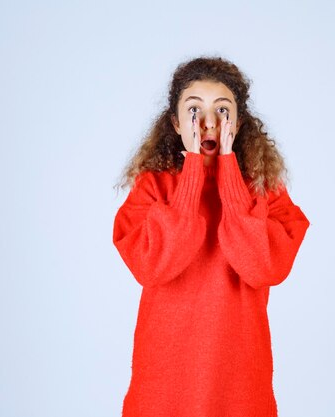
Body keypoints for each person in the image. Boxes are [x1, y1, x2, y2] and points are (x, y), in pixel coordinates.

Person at [112, 56, 310, 417]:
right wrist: (191, 173)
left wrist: (229, 171)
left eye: (222, 110)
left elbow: (262, 267)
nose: (207, 123)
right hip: (165, 381)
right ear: (175, 123)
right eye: (193, 110)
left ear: (238, 122)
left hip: (238, 382)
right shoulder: (152, 187)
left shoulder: (265, 191)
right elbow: (153, 267)